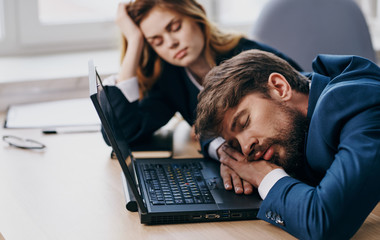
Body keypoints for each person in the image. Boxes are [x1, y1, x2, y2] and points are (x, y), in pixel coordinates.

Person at [194, 49, 380, 239]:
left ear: (280, 87)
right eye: (234, 143)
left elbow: (324, 222)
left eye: (244, 122)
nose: (245, 149)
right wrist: (229, 157)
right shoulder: (304, 92)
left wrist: (263, 176)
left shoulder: (360, 103)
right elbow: (205, 136)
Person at [101, 0, 302, 175]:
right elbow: (120, 133)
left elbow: (300, 108)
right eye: (157, 41)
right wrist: (134, 41)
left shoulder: (250, 58)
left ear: (197, 15)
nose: (171, 43)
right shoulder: (171, 80)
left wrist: (212, 134)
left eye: (175, 27)